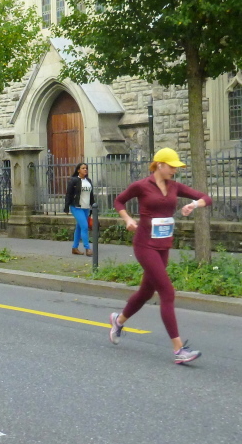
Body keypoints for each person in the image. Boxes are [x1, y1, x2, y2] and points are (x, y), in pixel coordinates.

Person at [110, 148, 211, 364]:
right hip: (144, 245)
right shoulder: (141, 186)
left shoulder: (175, 186)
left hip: (163, 246)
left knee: (146, 292)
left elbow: (206, 198)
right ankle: (178, 349)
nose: (175, 170)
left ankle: (118, 321)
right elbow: (118, 201)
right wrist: (127, 219)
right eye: (172, 166)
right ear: (159, 165)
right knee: (167, 291)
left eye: (176, 167)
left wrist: (193, 205)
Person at [64, 162, 95, 256]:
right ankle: (87, 248)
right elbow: (68, 194)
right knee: (84, 226)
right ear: (78, 170)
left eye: (86, 168)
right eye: (83, 168)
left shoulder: (88, 181)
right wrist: (66, 207)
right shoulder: (74, 180)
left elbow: (91, 195)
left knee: (79, 227)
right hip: (76, 207)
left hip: (86, 208)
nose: (85, 170)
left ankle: (74, 248)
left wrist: (93, 205)